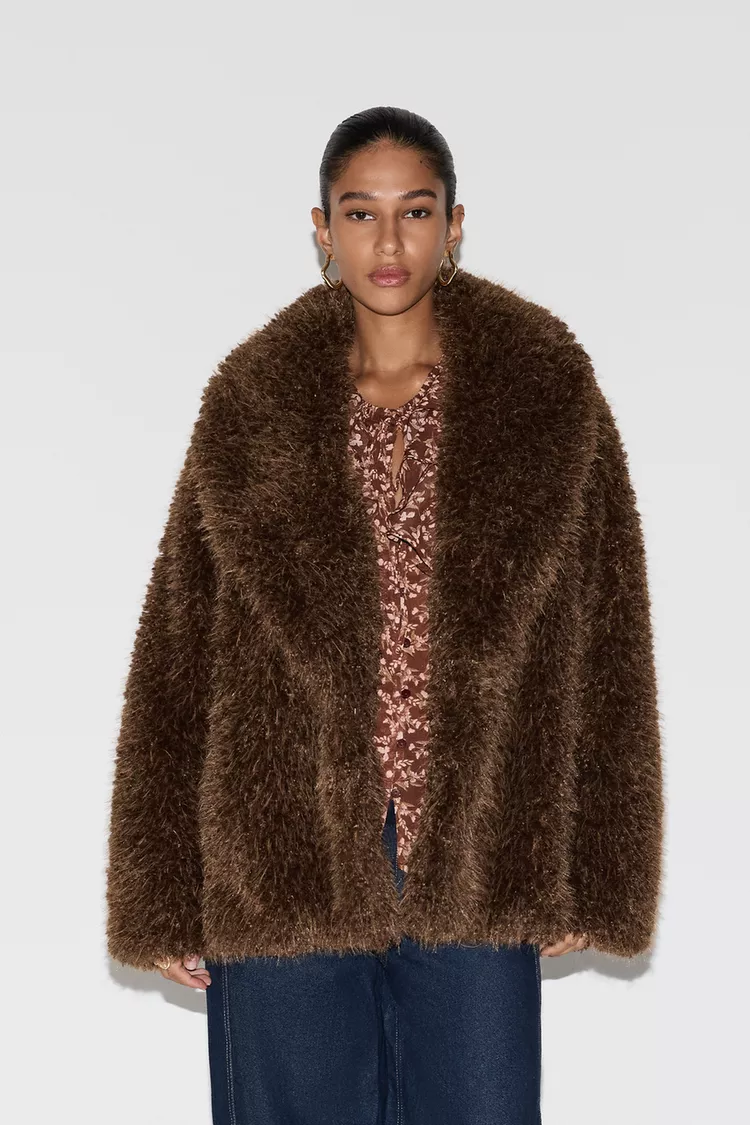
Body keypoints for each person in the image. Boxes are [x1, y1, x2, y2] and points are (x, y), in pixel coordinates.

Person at [106, 106, 664, 1124]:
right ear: (322, 228)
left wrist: (601, 868)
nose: (390, 240)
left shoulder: (546, 395)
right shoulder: (252, 403)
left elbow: (610, 636)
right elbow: (178, 654)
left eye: (416, 210)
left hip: (482, 850)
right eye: (361, 213)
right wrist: (163, 887)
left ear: (456, 224)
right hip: (281, 856)